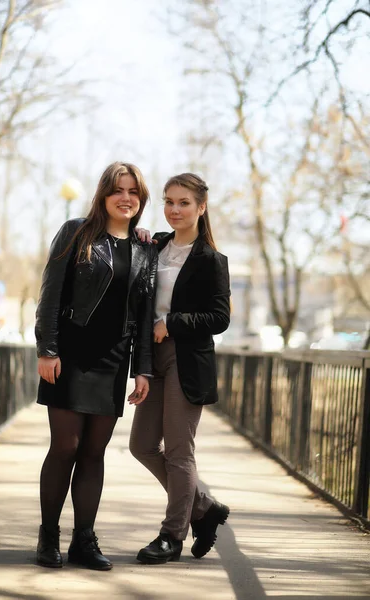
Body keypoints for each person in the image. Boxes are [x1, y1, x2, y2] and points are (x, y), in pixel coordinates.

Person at [35, 162, 156, 571]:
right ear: (104, 194)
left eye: (134, 192)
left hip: (113, 360)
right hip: (69, 354)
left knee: (93, 452)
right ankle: (48, 536)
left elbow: (144, 315)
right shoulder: (76, 232)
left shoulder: (144, 248)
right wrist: (47, 349)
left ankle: (83, 541)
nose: (126, 198)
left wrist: (143, 369)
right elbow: (51, 294)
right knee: (65, 447)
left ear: (141, 199)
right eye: (118, 190)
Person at [129, 172, 231, 564]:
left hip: (187, 361)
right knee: (140, 446)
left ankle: (172, 535)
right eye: (168, 201)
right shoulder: (154, 245)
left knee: (177, 452)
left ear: (201, 207)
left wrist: (172, 322)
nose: (174, 209)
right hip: (151, 359)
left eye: (183, 202)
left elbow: (219, 317)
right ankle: (202, 507)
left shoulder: (211, 260)